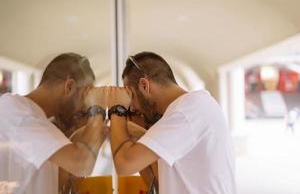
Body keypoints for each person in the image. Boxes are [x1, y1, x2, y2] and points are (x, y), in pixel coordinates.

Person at [108, 52, 236, 193]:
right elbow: (162, 182)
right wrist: (141, 135)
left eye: (131, 96)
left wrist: (117, 109)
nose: (132, 107)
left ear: (144, 85)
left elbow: (125, 165)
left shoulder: (186, 113)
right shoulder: (193, 107)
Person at [0, 53, 107, 194]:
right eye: (85, 96)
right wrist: (97, 108)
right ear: (69, 87)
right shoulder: (18, 113)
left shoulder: (38, 120)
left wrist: (82, 134)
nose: (84, 107)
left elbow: (54, 183)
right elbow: (82, 164)